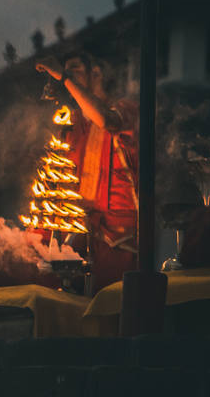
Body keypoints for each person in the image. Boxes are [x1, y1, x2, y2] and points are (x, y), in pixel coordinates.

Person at [36, 52, 139, 293]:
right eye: (68, 71)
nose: (67, 78)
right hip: (80, 234)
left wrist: (64, 76)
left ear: (96, 74)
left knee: (112, 303)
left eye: (75, 69)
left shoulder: (126, 109)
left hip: (118, 237)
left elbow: (106, 120)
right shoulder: (74, 121)